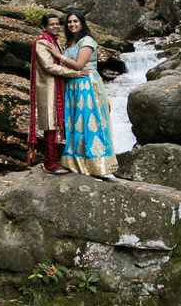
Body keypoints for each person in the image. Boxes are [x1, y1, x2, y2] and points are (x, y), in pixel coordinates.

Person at [58, 9, 119, 179]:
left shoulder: (87, 41)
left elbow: (78, 64)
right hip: (72, 85)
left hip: (87, 86)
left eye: (75, 21)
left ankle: (96, 164)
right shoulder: (70, 42)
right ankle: (76, 162)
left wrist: (57, 56)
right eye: (69, 22)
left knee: (88, 120)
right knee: (74, 122)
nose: (72, 24)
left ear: (82, 23)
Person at [28, 10, 74, 174]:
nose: (56, 26)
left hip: (58, 88)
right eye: (52, 24)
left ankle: (57, 160)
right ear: (44, 27)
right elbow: (48, 66)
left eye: (57, 24)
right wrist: (75, 73)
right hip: (48, 89)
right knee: (50, 125)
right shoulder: (42, 42)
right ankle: (50, 164)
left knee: (56, 123)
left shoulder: (54, 41)